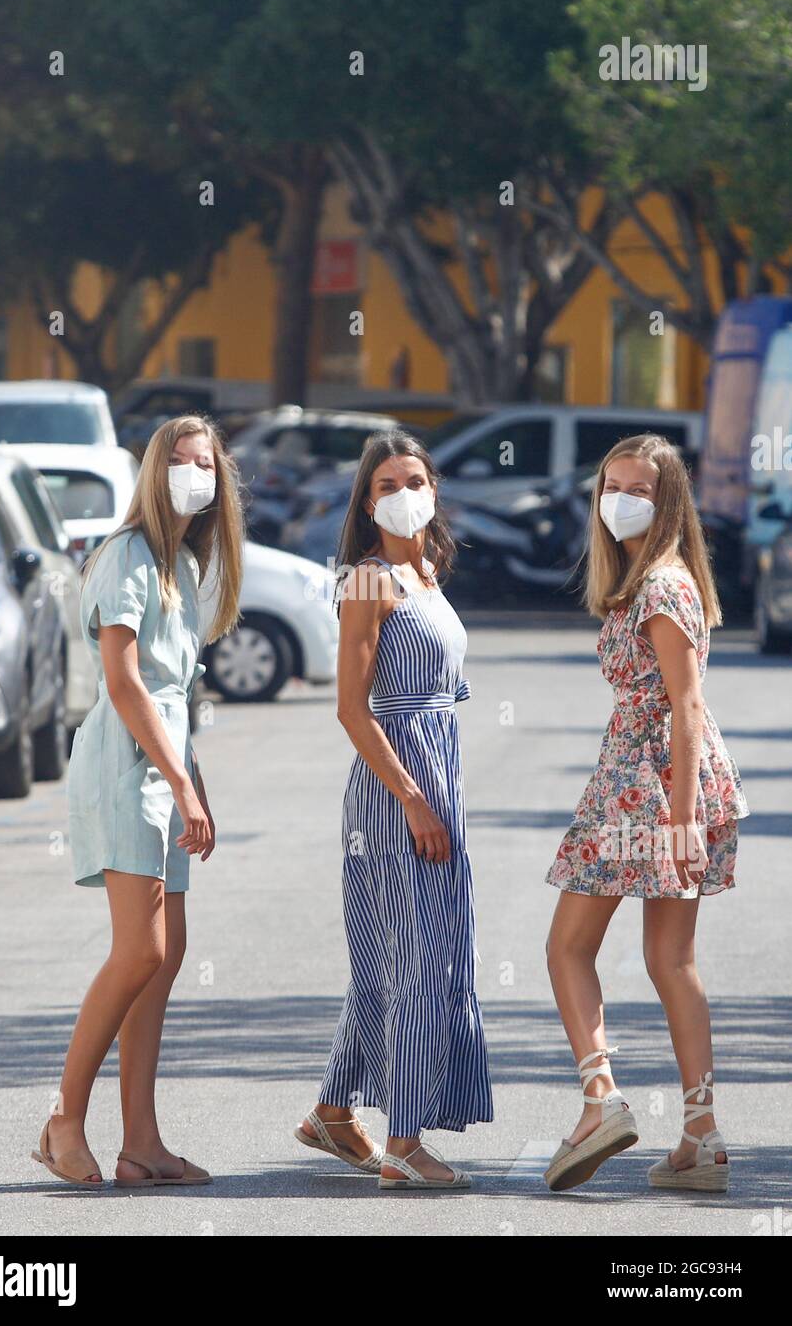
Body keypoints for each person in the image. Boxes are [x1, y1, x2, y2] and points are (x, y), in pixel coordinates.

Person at [31, 415, 243, 1188]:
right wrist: (178, 783)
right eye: (183, 463)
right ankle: (62, 1121)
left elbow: (177, 693)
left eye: (208, 465)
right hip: (126, 766)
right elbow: (123, 683)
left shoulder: (181, 566)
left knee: (166, 955)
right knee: (140, 951)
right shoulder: (123, 555)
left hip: (166, 766)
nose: (197, 475)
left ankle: (141, 1144)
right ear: (154, 472)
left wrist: (194, 781)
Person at [544, 433, 748, 1193]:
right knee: (672, 961)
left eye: (638, 489)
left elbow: (686, 703)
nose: (619, 500)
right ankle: (699, 1136)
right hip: (660, 781)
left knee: (566, 948)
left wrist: (683, 816)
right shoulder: (659, 579)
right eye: (611, 484)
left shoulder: (661, 586)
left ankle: (600, 1099)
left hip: (646, 783)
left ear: (668, 506)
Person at [294, 430, 493, 1190]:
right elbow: (352, 709)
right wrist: (412, 798)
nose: (403, 491)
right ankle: (402, 1147)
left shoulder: (428, 572)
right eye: (384, 484)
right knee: (420, 963)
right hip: (391, 791)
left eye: (414, 477)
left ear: (433, 488)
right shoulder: (370, 581)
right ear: (366, 502)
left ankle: (331, 1111)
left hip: (437, 777)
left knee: (397, 958)